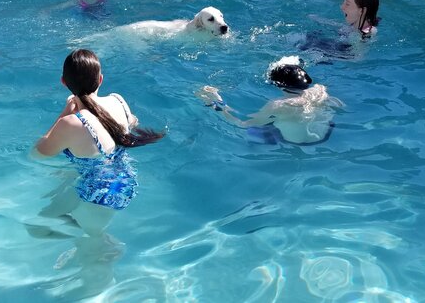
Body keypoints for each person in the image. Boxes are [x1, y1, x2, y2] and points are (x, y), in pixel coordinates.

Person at [32, 48, 164, 237]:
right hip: (124, 180)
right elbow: (132, 122)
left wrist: (65, 113)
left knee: (86, 244)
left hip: (98, 194)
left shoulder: (71, 122)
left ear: (64, 82)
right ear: (100, 79)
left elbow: (37, 153)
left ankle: (102, 247)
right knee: (76, 231)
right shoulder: (118, 100)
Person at [196, 56, 342, 145]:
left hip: (295, 143)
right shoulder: (320, 91)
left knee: (250, 132)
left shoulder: (278, 105)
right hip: (322, 137)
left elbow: (241, 124)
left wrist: (215, 102)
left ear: (277, 85)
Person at [297, 0, 380, 61]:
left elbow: (357, 58)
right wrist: (321, 20)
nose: (342, 7)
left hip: (338, 54)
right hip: (336, 46)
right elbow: (343, 27)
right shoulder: (356, 24)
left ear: (362, 11)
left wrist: (324, 57)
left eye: (347, 4)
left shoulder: (366, 34)